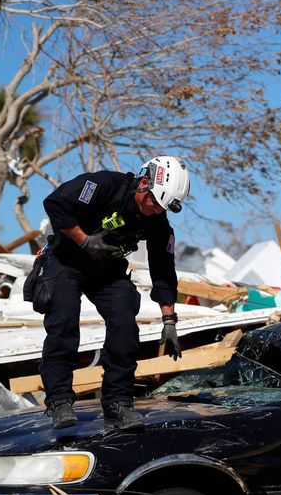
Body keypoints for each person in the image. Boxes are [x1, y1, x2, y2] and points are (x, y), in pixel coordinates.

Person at [31, 155, 189, 430]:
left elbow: (163, 269)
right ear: (143, 183)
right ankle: (59, 402)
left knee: (125, 322)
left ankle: (118, 404)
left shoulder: (157, 220)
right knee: (64, 320)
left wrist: (169, 320)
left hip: (105, 268)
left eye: (163, 208)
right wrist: (84, 240)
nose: (156, 211)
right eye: (154, 202)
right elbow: (55, 202)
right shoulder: (104, 185)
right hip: (66, 260)